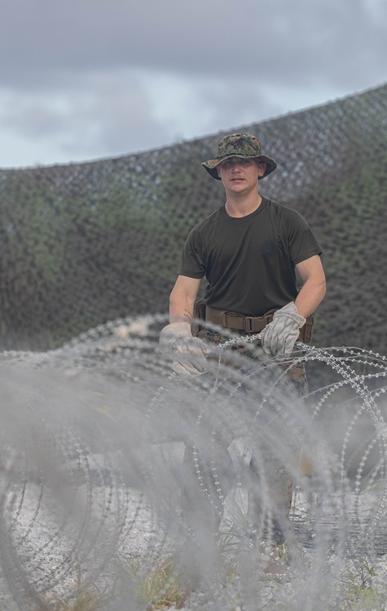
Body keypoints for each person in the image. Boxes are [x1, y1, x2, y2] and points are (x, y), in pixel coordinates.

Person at [159, 132, 326, 547]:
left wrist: (294, 315)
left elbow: (315, 280)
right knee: (206, 448)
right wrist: (179, 330)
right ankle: (196, 547)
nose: (236, 169)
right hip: (223, 351)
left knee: (275, 451)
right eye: (228, 163)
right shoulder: (204, 233)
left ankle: (271, 545)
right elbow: (183, 292)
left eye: (245, 163)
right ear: (217, 172)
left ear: (260, 170)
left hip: (277, 349)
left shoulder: (287, 223)